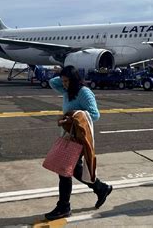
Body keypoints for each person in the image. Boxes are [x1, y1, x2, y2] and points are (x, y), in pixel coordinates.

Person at [46, 65, 113, 220]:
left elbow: (95, 115)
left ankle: (64, 207)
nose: (64, 84)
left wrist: (73, 117)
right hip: (68, 136)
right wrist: (62, 72)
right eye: (63, 81)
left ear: (75, 80)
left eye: (67, 81)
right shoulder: (66, 90)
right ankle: (101, 188)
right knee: (74, 170)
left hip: (78, 138)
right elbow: (52, 82)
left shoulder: (84, 92)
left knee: (64, 171)